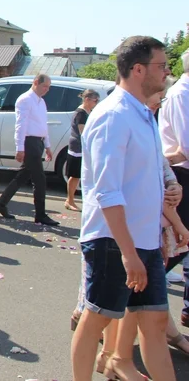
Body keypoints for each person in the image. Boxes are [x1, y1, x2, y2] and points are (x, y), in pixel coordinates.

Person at [70, 36, 176, 381]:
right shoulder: (112, 116)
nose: (167, 73)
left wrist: (167, 201)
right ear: (138, 69)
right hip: (112, 242)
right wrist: (129, 254)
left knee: (156, 322)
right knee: (96, 319)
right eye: (162, 66)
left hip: (142, 240)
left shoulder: (143, 114)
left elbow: (142, 177)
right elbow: (106, 191)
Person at [0, 74, 60, 226]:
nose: (47, 90)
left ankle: (1, 204)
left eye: (49, 87)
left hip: (38, 142)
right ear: (36, 82)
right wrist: (20, 147)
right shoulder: (25, 100)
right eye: (45, 86)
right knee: (39, 180)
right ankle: (40, 214)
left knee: (23, 175)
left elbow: (43, 126)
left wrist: (47, 145)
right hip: (29, 142)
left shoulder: (41, 102)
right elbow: (20, 125)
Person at [160, 48, 189, 326]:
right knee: (176, 245)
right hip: (179, 176)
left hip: (179, 172)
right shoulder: (181, 94)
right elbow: (186, 145)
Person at [64, 89, 100, 211]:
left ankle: (71, 200)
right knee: (74, 175)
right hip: (77, 148)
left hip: (81, 147)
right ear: (87, 99)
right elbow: (83, 133)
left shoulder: (88, 112)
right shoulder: (81, 113)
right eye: (95, 100)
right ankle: (70, 201)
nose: (96, 103)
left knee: (78, 175)